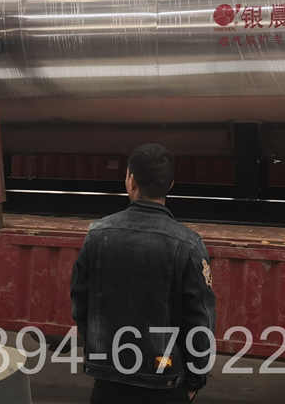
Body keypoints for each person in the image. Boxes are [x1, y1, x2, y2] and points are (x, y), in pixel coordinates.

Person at [71, 143, 216, 403]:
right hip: (164, 381)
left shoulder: (97, 235)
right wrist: (196, 379)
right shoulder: (189, 245)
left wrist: (101, 354)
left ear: (130, 180)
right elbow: (200, 321)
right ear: (170, 184)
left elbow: (80, 304)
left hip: (108, 379)